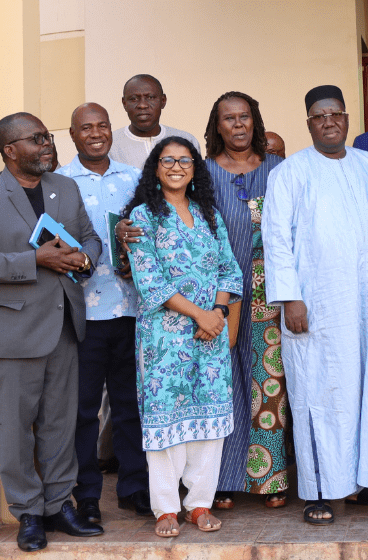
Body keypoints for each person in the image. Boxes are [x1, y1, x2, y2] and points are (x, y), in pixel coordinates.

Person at [0, 112, 103, 552]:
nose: (46, 144)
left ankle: (60, 505)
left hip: (62, 326)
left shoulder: (65, 187)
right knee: (18, 430)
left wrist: (84, 260)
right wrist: (33, 261)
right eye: (36, 138)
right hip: (9, 332)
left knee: (60, 425)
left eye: (47, 136)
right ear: (10, 150)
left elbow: (91, 238)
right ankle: (29, 513)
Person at [262, 85, 368, 525]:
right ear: (309, 123)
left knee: (365, 390)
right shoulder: (290, 173)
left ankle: (363, 482)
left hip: (367, 307)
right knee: (317, 392)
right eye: (319, 116)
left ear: (348, 118)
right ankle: (319, 490)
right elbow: (276, 241)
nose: (329, 121)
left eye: (336, 113)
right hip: (313, 306)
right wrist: (290, 298)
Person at [124, 137, 243, 537]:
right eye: (168, 160)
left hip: (209, 335)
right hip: (165, 339)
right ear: (155, 168)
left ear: (195, 169)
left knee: (209, 421)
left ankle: (199, 504)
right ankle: (166, 508)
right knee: (164, 420)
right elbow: (150, 281)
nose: (177, 166)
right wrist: (201, 315)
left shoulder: (208, 214)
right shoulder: (143, 216)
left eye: (185, 161)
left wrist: (219, 313)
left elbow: (230, 271)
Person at [55, 103, 150, 524]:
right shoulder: (58, 183)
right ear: (72, 135)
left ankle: (135, 488)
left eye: (103, 126)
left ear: (112, 131)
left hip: (131, 309)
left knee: (131, 406)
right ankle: (88, 495)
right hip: (81, 315)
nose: (96, 133)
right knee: (83, 410)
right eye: (86, 128)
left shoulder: (134, 179)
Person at [201, 92, 289, 510]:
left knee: (266, 385)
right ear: (216, 127)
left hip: (269, 294)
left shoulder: (280, 170)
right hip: (218, 293)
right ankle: (220, 479)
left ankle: (269, 478)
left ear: (255, 121)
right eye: (228, 119)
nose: (237, 125)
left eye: (244, 117)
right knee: (223, 384)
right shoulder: (200, 174)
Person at [110, 74, 202, 169]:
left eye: (150, 97)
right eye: (134, 99)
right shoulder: (110, 145)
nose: (142, 105)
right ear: (124, 103)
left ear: (163, 101)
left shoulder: (186, 140)